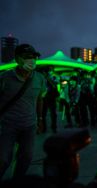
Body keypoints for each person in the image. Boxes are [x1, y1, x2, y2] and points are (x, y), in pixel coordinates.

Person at [0, 44, 46, 180]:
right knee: (3, 159)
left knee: (26, 157)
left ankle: (17, 181)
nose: (31, 60)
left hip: (29, 125)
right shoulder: (5, 78)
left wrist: (41, 119)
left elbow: (39, 100)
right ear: (17, 59)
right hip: (7, 125)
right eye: (27, 57)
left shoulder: (39, 78)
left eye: (33, 57)